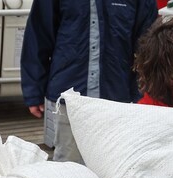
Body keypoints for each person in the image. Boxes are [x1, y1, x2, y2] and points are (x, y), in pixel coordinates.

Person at [20, 0, 158, 163]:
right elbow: (38, 35)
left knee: (114, 166)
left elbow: (150, 45)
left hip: (117, 102)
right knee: (69, 167)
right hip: (70, 100)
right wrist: (33, 91)